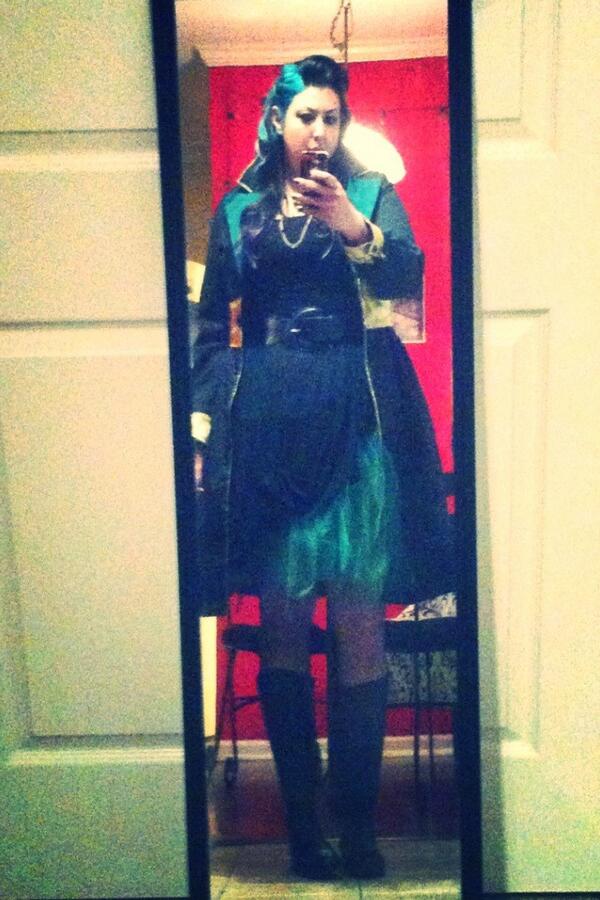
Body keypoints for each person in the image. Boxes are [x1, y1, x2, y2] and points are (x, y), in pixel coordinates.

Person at [191, 55, 454, 881]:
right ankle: (304, 832)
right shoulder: (237, 208)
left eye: (332, 117)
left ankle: (359, 828)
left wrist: (350, 223)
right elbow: (210, 325)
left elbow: (407, 290)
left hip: (356, 419)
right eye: (306, 115)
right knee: (280, 626)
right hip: (267, 423)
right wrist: (203, 427)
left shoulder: (370, 193)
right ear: (278, 120)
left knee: (358, 623)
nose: (320, 130)